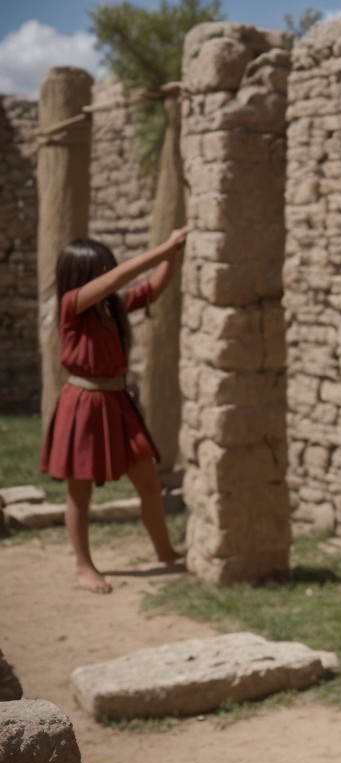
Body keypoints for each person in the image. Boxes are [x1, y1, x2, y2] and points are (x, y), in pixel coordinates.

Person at [40, 227, 190, 594]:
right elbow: (122, 278)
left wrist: (173, 255)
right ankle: (84, 567)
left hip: (117, 403)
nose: (110, 273)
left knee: (149, 483)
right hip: (84, 407)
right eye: (102, 269)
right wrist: (163, 247)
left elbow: (152, 288)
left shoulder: (112, 309)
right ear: (83, 276)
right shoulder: (71, 305)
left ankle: (165, 552)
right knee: (80, 493)